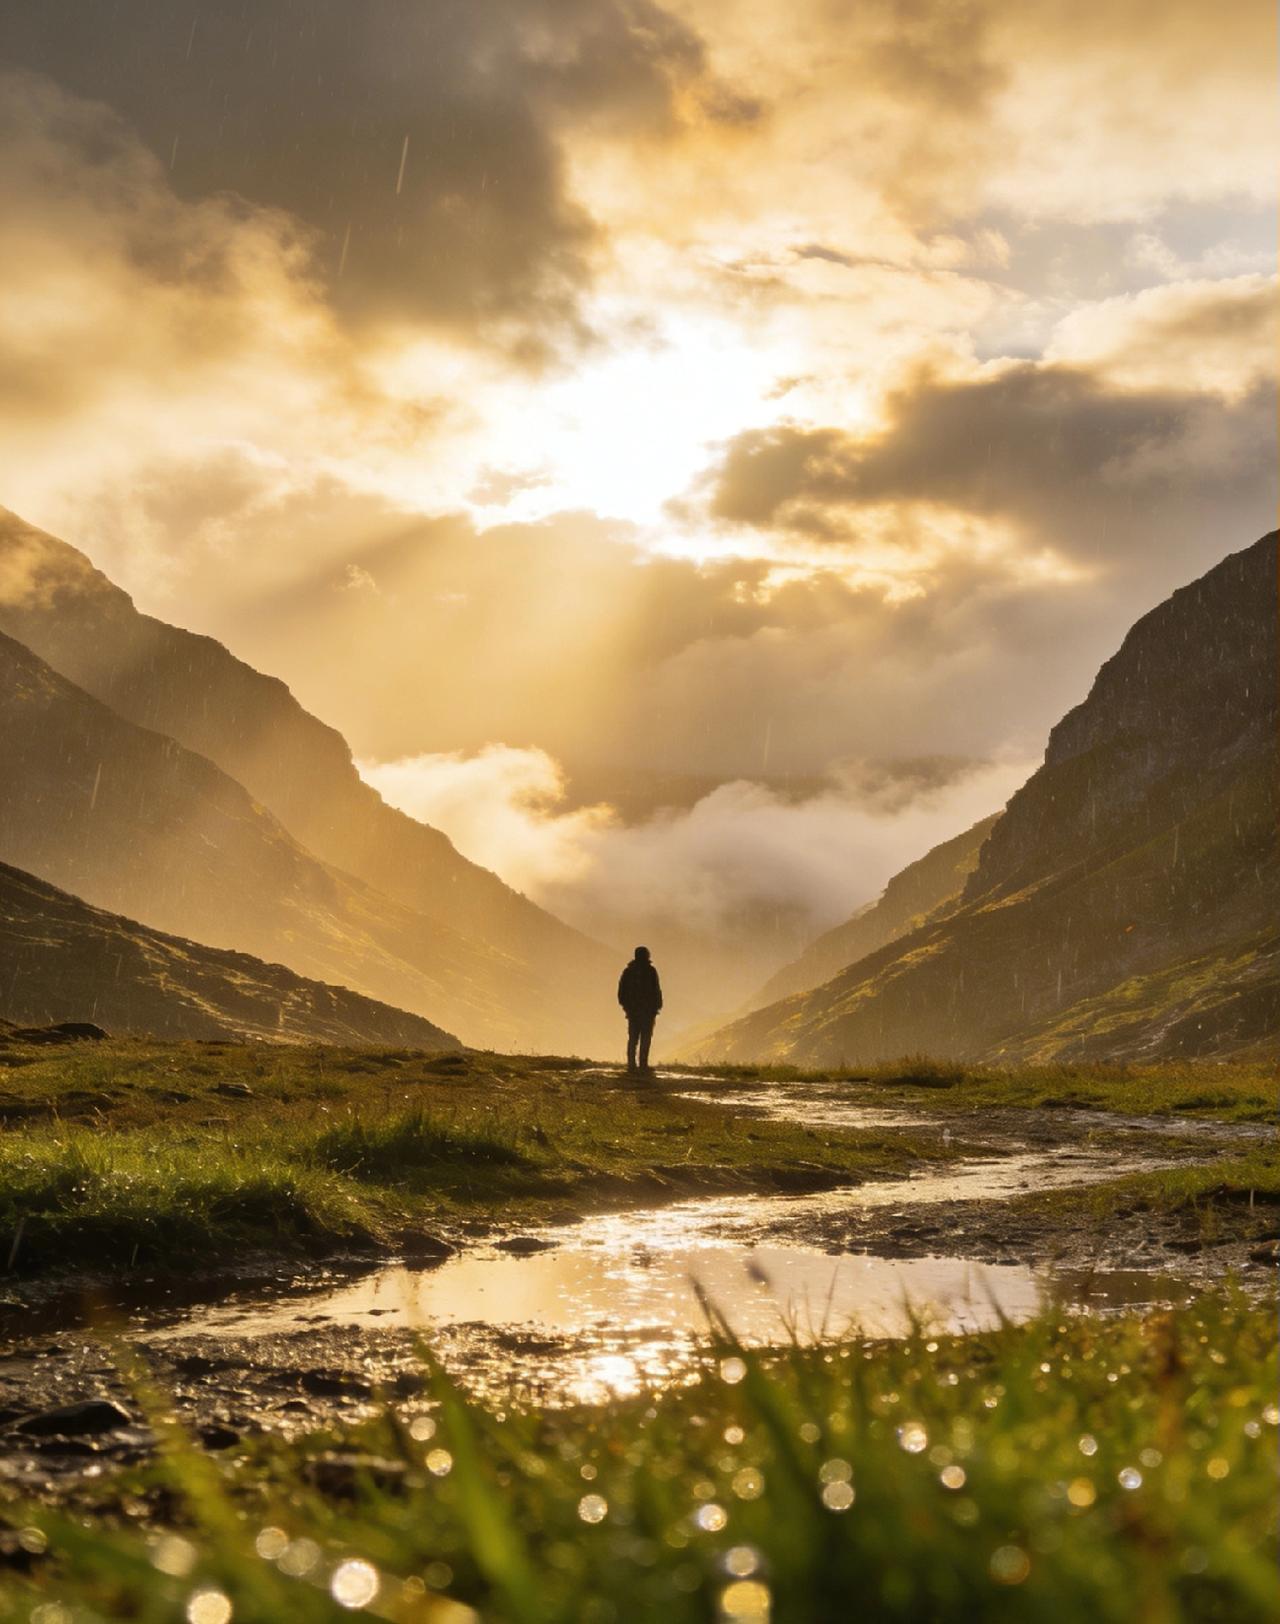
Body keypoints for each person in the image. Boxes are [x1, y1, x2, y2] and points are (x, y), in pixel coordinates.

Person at [617, 945, 662, 1074]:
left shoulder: (628, 972)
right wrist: (657, 1006)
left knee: (633, 1037)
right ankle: (643, 1064)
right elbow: (656, 990)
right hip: (647, 1011)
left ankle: (631, 1064)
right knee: (645, 1037)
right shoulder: (651, 971)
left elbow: (621, 992)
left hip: (633, 1011)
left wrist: (626, 1007)